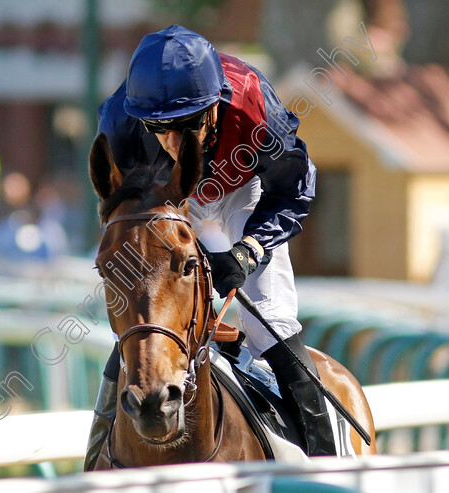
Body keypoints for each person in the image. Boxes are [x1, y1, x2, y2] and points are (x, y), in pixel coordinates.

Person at [85, 25, 333, 469]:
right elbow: (125, 214)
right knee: (146, 317)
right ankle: (95, 458)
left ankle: (328, 463)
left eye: (187, 126)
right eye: (160, 129)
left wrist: (248, 250)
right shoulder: (121, 123)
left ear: (214, 106)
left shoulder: (254, 107)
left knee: (269, 324)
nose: (174, 143)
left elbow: (293, 191)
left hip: (247, 191)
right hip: (170, 203)